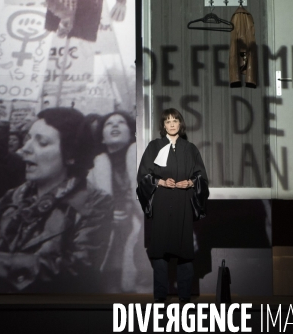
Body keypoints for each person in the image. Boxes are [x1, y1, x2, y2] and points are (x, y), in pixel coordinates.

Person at [0, 107, 113, 293]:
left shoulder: (95, 204)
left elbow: (77, 271)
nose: (25, 148)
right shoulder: (12, 196)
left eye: (42, 143)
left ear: (71, 155)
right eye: (28, 139)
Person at [137, 108, 208, 302]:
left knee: (184, 254)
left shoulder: (190, 148)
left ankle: (185, 301)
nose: (172, 124)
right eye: (168, 121)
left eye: (175, 120)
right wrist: (160, 182)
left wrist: (190, 182)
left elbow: (201, 176)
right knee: (160, 254)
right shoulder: (154, 146)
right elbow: (143, 175)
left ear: (180, 124)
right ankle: (160, 301)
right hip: (161, 203)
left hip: (182, 204)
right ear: (163, 125)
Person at [88, 111, 150, 293]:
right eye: (108, 124)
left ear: (131, 133)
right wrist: (104, 213)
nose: (115, 125)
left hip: (143, 238)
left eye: (121, 122)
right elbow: (84, 206)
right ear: (102, 138)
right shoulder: (92, 169)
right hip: (108, 244)